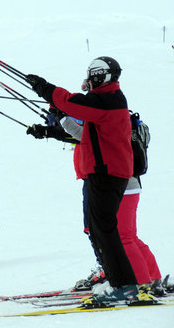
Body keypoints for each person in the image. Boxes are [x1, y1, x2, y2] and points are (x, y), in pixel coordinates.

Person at [26, 56, 153, 306]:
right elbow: (82, 130)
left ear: (99, 76)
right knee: (101, 230)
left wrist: (44, 88)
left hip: (106, 174)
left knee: (104, 230)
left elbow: (71, 102)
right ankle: (121, 282)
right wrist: (52, 126)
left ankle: (124, 285)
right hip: (108, 173)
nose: (89, 81)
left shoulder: (106, 100)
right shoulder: (109, 100)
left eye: (91, 76)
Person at [27, 112, 164, 295]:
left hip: (111, 182)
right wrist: (50, 130)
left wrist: (61, 120)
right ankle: (152, 279)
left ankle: (138, 283)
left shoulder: (100, 120)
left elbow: (80, 134)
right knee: (128, 236)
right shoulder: (105, 118)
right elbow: (76, 134)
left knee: (119, 236)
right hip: (119, 182)